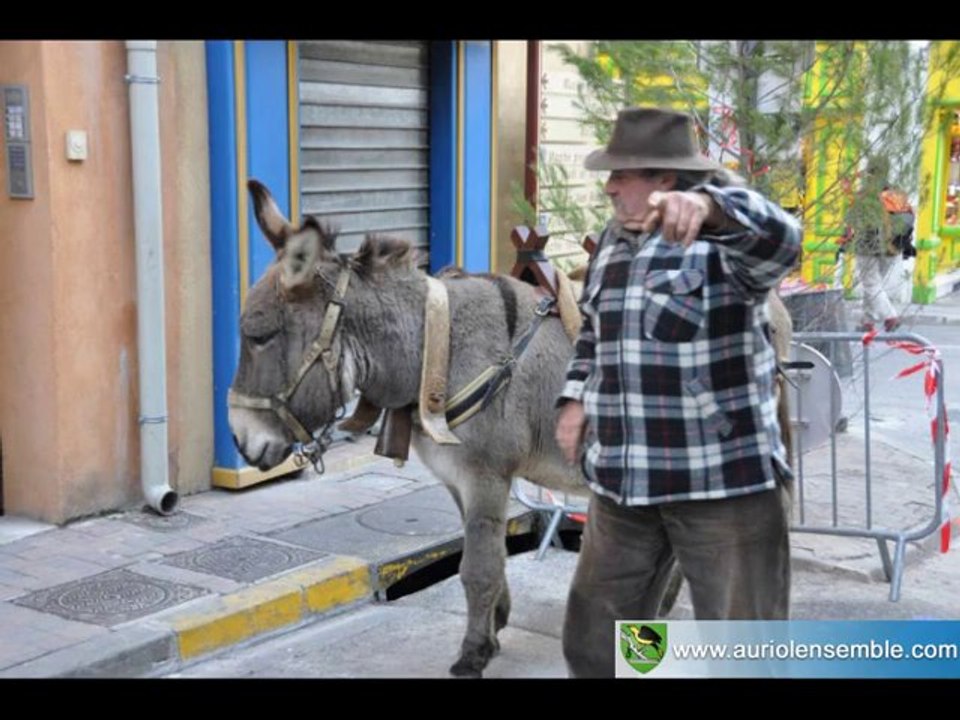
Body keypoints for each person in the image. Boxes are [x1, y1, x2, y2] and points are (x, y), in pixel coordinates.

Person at [553, 106, 802, 678]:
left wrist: (712, 210)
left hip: (722, 487)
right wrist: (575, 398)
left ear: (664, 178)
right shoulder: (615, 241)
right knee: (600, 646)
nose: (610, 185)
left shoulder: (726, 242)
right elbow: (594, 332)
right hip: (624, 484)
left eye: (622, 173)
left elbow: (783, 239)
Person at [843, 156, 914, 332]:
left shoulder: (866, 194)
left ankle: (890, 316)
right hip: (892, 248)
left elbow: (852, 218)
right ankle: (867, 321)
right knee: (874, 284)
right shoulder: (897, 193)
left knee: (871, 284)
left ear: (869, 170)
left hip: (868, 246)